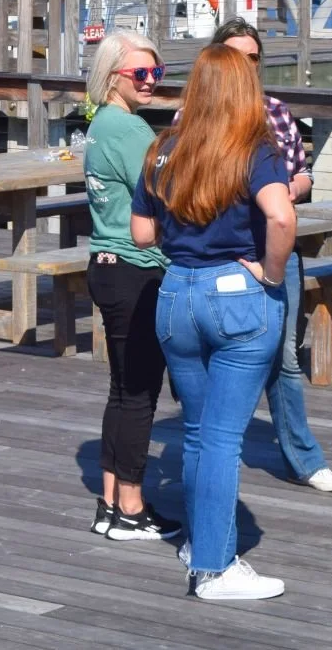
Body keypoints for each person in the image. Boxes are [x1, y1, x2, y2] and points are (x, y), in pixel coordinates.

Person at [131, 44, 295, 601]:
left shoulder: (163, 149)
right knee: (224, 438)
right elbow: (280, 213)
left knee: (199, 435)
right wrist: (270, 275)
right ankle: (217, 568)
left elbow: (142, 235)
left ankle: (201, 544)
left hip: (177, 293)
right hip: (238, 295)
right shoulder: (254, 150)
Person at [211, 17, 332, 493]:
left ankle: (303, 458)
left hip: (275, 247)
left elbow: (304, 177)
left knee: (284, 355)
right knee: (214, 353)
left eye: (253, 57)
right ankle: (214, 450)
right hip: (219, 253)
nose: (246, 66)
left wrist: (285, 187)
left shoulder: (275, 112)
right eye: (235, 56)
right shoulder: (197, 117)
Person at [83, 31, 180, 542]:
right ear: (112, 77)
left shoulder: (101, 125)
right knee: (139, 393)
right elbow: (174, 194)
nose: (150, 83)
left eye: (156, 73)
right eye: (140, 74)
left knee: (123, 389)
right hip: (137, 268)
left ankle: (111, 502)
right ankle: (132, 507)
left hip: (107, 263)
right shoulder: (130, 131)